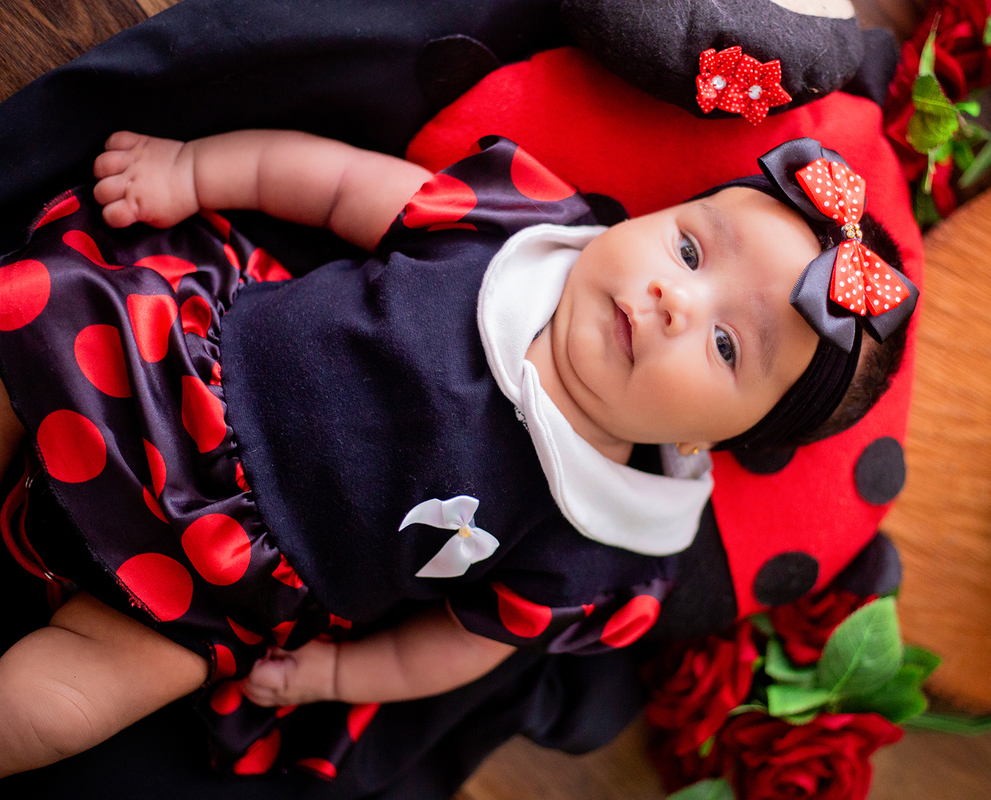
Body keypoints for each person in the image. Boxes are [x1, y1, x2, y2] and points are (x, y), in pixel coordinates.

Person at [0, 128, 914, 777]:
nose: (678, 299)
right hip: (163, 369)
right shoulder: (510, 230)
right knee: (23, 344)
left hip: (220, 581)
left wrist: (329, 675)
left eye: (725, 348)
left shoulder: (597, 549)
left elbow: (457, 646)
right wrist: (193, 171)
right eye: (687, 246)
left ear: (706, 441)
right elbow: (336, 185)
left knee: (72, 701)